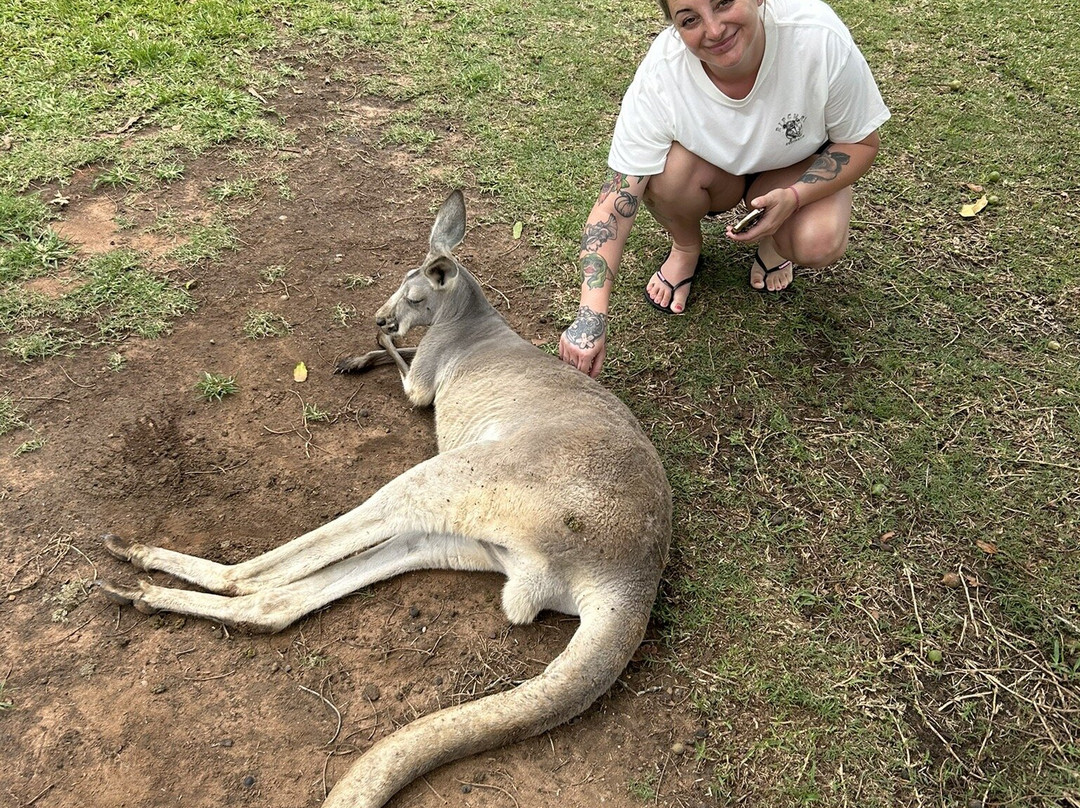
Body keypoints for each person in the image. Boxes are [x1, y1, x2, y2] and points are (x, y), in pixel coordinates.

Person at [558, 0, 890, 378]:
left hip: (794, 167)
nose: (714, 30)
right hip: (715, 174)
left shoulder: (817, 37)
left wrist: (796, 197)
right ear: (674, 27)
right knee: (664, 176)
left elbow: (860, 143)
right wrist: (591, 317)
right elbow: (614, 206)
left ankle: (775, 240)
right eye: (690, 19)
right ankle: (686, 246)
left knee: (818, 240)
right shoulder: (662, 74)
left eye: (723, 2)